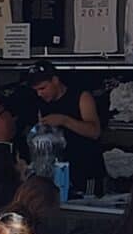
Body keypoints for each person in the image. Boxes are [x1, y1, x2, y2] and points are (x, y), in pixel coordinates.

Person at [25, 61, 104, 190]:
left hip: (86, 169)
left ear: (55, 80)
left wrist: (64, 121)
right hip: (57, 172)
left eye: (43, 88)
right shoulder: (40, 103)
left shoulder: (81, 97)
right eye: (36, 90)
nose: (40, 93)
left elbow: (95, 131)